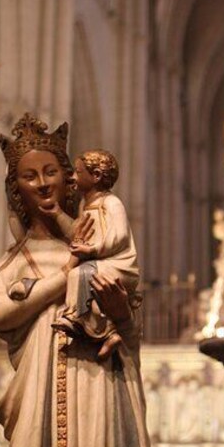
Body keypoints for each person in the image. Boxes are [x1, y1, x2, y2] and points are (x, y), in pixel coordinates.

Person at [0, 114, 156, 447]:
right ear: (16, 187)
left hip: (98, 390)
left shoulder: (100, 249)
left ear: (70, 179)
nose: (42, 184)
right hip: (40, 395)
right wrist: (64, 280)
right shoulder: (19, 257)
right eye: (29, 176)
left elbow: (128, 338)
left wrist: (119, 315)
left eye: (51, 172)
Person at [52, 149, 141, 361]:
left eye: (78, 172)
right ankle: (105, 333)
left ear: (97, 176)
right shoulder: (86, 204)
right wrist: (56, 214)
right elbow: (79, 230)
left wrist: (92, 250)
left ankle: (77, 318)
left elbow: (119, 237)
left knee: (81, 274)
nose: (73, 176)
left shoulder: (112, 203)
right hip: (99, 263)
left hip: (119, 263)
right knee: (83, 277)